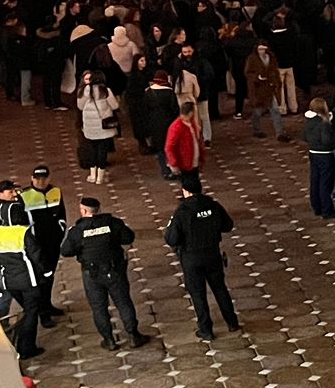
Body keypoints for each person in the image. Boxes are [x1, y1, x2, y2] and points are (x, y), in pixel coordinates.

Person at [60, 195, 146, 350]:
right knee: (123, 302)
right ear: (99, 209)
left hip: (91, 274)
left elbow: (66, 251)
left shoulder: (77, 230)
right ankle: (134, 335)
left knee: (99, 307)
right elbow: (128, 237)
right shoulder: (113, 223)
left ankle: (109, 340)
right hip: (114, 270)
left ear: (84, 211)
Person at [164, 173, 240, 341]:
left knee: (198, 294)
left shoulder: (182, 212)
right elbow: (228, 226)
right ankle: (232, 322)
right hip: (212, 253)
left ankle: (206, 329)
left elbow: (171, 239)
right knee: (220, 288)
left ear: (186, 191)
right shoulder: (213, 205)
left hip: (191, 258)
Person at [0, 180, 45, 360]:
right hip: (28, 280)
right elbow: (36, 255)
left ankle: (19, 340)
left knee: (27, 310)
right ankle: (26, 348)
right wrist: (46, 273)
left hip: (9, 281)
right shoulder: (21, 232)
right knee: (31, 312)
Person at [20, 165, 71, 325]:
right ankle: (43, 313)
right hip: (36, 244)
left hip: (53, 242)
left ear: (49, 178)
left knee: (50, 275)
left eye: (44, 178)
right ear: (32, 178)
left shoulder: (56, 191)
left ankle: (47, 305)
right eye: (37, 178)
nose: (40, 181)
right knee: (40, 278)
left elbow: (62, 214)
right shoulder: (24, 195)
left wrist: (60, 231)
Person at [76, 70, 119, 185]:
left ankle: (92, 175)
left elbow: (80, 106)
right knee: (102, 151)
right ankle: (100, 177)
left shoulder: (84, 91)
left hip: (90, 126)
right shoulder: (106, 91)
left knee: (92, 150)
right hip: (103, 126)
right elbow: (115, 105)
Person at [302, 97, 335, 218]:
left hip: (313, 153)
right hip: (325, 155)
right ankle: (327, 210)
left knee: (315, 181)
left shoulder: (309, 121)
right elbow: (327, 141)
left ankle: (317, 207)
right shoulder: (323, 123)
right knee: (325, 183)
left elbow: (304, 136)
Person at [245, 42, 286, 139]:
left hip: (270, 88)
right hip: (258, 89)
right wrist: (257, 77)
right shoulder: (252, 59)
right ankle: (257, 130)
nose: (262, 52)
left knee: (275, 110)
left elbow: (275, 71)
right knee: (258, 111)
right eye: (260, 49)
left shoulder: (271, 58)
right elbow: (248, 73)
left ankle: (280, 133)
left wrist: (276, 82)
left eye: (263, 49)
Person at [164, 102, 203, 184]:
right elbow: (169, 147)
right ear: (191, 113)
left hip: (193, 161)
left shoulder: (192, 124)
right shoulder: (176, 127)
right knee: (188, 184)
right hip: (184, 163)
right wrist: (173, 163)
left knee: (194, 183)